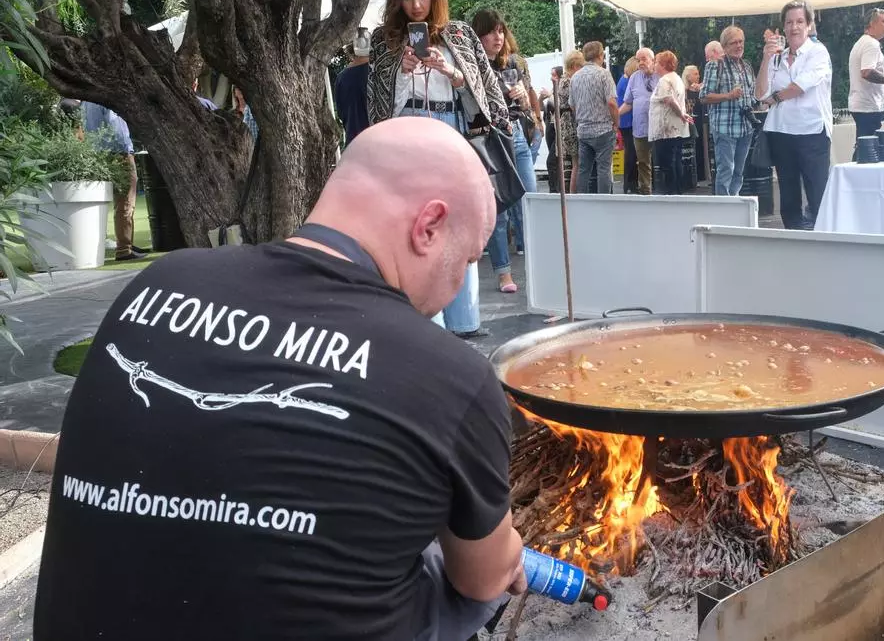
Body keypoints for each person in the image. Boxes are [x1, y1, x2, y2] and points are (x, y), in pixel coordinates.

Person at [33, 118, 525, 641]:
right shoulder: (449, 374)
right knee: (453, 572)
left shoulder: (155, 283)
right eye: (466, 261)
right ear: (428, 226)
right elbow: (484, 579)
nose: (457, 288)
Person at [365, 0, 510, 339]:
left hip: (453, 134)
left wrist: (452, 73)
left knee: (459, 225)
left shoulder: (459, 33)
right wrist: (402, 70)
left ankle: (465, 319)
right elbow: (378, 106)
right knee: (417, 228)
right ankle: (428, 322)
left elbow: (485, 93)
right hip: (407, 136)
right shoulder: (385, 40)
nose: (415, 5)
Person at [473, 8, 537, 293]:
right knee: (497, 207)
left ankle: (538, 267)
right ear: (479, 34)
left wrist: (524, 99)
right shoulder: (472, 67)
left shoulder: (512, 63)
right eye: (490, 31)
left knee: (530, 202)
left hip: (518, 136)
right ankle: (503, 273)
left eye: (501, 31)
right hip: (492, 143)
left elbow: (524, 106)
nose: (497, 37)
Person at [756, 0, 833, 231]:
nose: (794, 27)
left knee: (818, 194)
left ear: (809, 25)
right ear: (784, 27)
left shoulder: (817, 52)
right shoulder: (777, 56)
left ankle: (823, 243)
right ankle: (793, 241)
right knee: (788, 197)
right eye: (789, 22)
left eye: (800, 21)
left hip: (811, 132)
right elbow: (760, 94)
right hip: (781, 132)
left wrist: (776, 98)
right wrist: (765, 58)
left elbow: (801, 86)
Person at [82, 101, 146, 262]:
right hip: (117, 152)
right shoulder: (105, 98)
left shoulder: (85, 101)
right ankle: (124, 248)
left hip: (97, 153)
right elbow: (116, 127)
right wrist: (126, 150)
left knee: (104, 202)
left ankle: (127, 243)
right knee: (125, 201)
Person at [701, 25, 758, 197]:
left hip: (745, 128)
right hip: (725, 128)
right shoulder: (715, 66)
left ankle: (733, 204)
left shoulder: (746, 66)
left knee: (739, 172)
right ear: (724, 46)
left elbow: (752, 95)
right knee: (726, 171)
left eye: (741, 41)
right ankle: (723, 211)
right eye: (734, 42)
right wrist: (729, 95)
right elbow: (704, 97)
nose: (739, 45)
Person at [569, 40, 619, 195]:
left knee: (584, 169)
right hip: (603, 128)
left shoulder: (575, 77)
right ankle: (604, 202)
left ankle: (582, 201)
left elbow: (572, 105)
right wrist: (616, 123)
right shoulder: (604, 74)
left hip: (583, 130)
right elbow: (611, 102)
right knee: (604, 168)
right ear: (601, 55)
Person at [649, 51, 693, 195]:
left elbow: (669, 99)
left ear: (662, 64)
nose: (654, 65)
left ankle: (671, 193)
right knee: (676, 160)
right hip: (677, 128)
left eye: (656, 62)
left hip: (666, 129)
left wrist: (681, 114)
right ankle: (678, 191)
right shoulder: (677, 78)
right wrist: (682, 114)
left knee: (667, 164)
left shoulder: (664, 80)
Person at [847, 9, 884, 140]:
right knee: (868, 148)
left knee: (865, 145)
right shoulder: (871, 44)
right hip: (868, 106)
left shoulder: (863, 42)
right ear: (872, 24)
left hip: (864, 104)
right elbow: (867, 72)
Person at [620, 48, 658, 194]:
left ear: (652, 60)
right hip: (640, 127)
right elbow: (628, 103)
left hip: (659, 128)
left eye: (644, 59)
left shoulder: (660, 75)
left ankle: (662, 191)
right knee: (643, 162)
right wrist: (615, 115)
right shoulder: (634, 77)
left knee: (659, 162)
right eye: (638, 60)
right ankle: (645, 191)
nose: (640, 62)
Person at [557, 51, 584, 193]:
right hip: (572, 123)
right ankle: (574, 194)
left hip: (566, 123)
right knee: (577, 163)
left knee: (575, 163)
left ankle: (573, 194)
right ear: (574, 66)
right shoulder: (570, 81)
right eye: (581, 66)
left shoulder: (563, 80)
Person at [335, 38, 372, 145]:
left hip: (352, 139)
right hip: (374, 137)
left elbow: (341, 112)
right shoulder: (374, 73)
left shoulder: (341, 77)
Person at [616, 57, 639, 193]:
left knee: (630, 152)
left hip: (624, 120)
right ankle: (630, 183)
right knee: (631, 153)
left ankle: (629, 184)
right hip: (627, 120)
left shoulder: (622, 80)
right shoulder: (627, 82)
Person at [682, 63, 708, 183]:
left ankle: (702, 173)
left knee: (701, 146)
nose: (698, 76)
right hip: (689, 121)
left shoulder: (700, 89)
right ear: (688, 76)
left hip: (700, 121)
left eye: (698, 74)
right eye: (695, 74)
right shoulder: (683, 90)